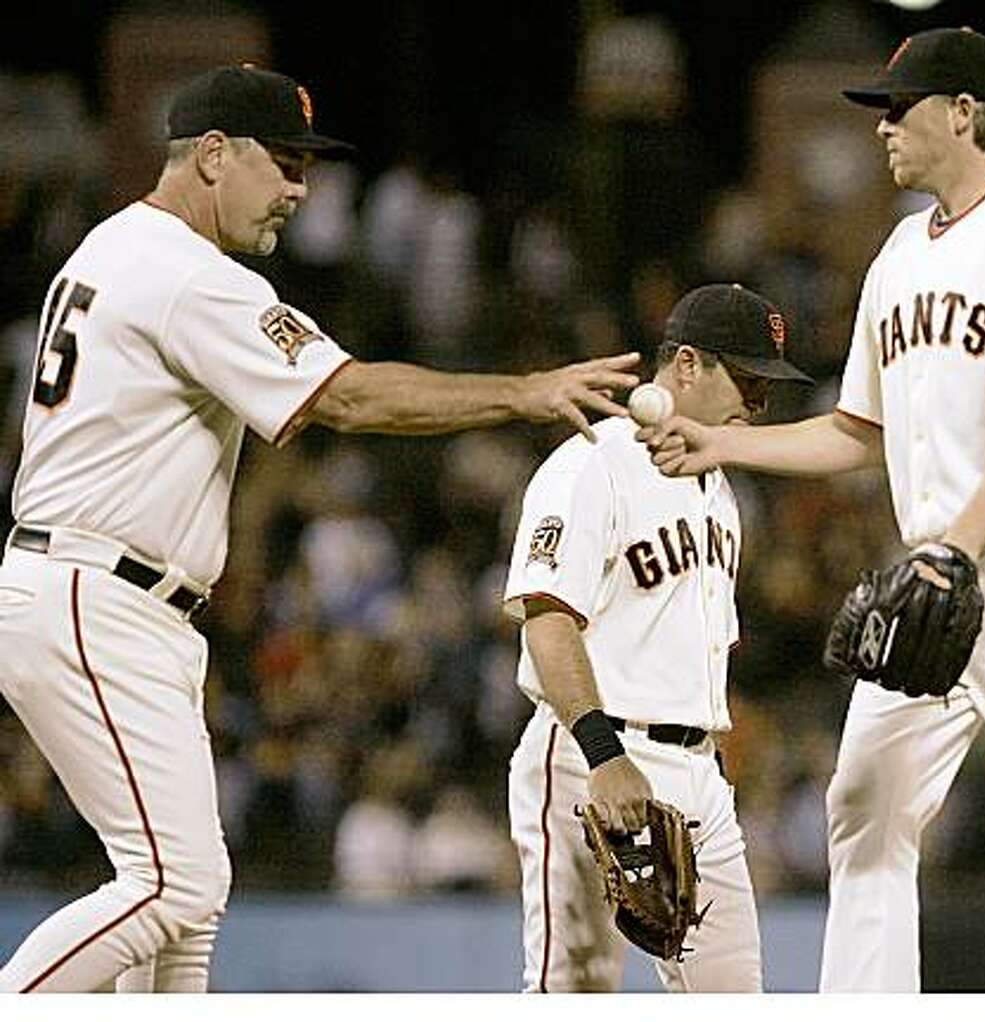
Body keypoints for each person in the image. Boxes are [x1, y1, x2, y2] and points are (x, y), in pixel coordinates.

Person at [0, 64, 640, 994]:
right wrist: (523, 390)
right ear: (214, 155)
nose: (301, 189)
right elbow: (347, 395)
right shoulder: (185, 273)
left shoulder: (112, 245)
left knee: (183, 910)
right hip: (94, 594)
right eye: (286, 162)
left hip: (102, 591)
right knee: (177, 884)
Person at [642, 28, 985, 992]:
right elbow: (854, 431)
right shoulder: (898, 251)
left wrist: (958, 552)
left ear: (963, 114)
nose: (882, 128)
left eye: (899, 108)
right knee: (865, 804)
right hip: (940, 568)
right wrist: (724, 445)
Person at [504, 282, 812, 992]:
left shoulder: (720, 487)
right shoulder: (593, 461)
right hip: (594, 758)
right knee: (572, 992)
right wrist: (603, 754)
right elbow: (547, 619)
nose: (759, 404)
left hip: (697, 773)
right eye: (747, 380)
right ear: (686, 365)